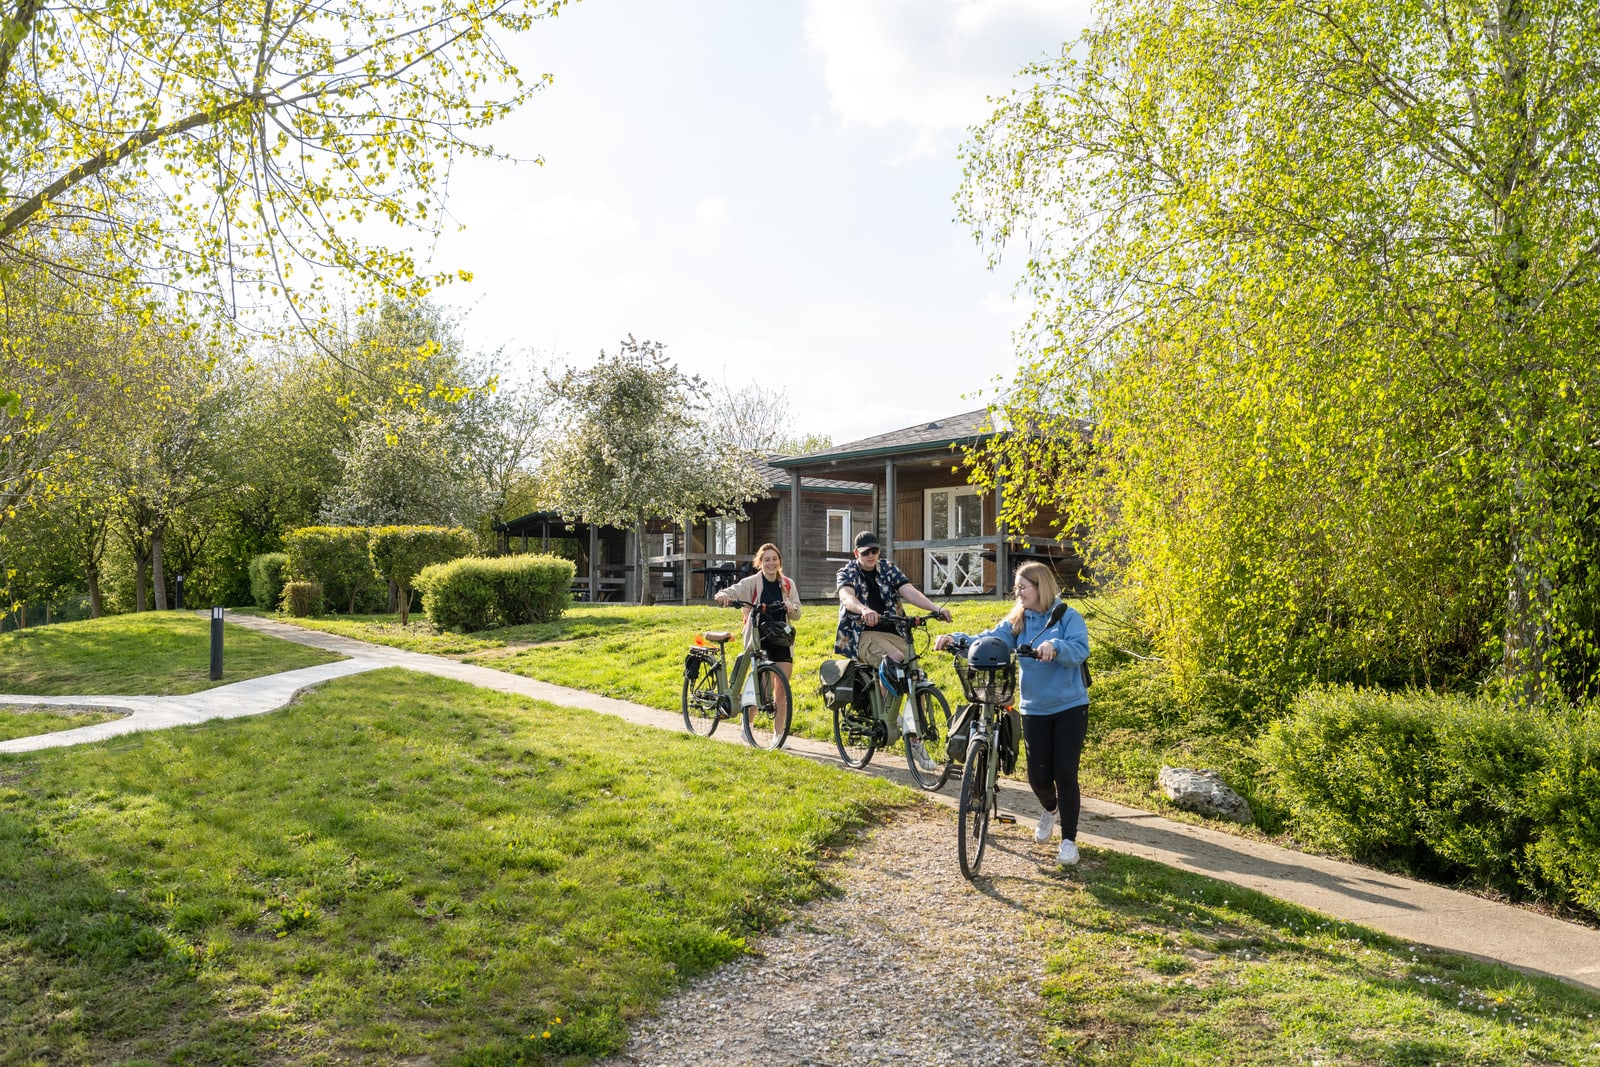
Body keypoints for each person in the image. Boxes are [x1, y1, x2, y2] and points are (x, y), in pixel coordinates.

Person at [935, 560, 1090, 866]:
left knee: (1065, 772)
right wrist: (957, 639)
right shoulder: (1018, 621)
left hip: (1070, 706)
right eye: (1016, 587)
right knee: (1037, 776)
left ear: (1040, 587)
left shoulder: (1066, 617)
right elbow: (989, 639)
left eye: (1023, 587)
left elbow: (1080, 649)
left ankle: (1069, 841)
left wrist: (1055, 647)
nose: (1017, 593)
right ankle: (1050, 808)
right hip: (1034, 709)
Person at [836, 531, 952, 768]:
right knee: (896, 659)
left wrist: (935, 609)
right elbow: (847, 597)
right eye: (865, 552)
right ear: (856, 553)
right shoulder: (847, 571)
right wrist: (863, 610)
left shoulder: (888, 568)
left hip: (894, 630)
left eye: (875, 551)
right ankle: (888, 711)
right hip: (862, 633)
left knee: (915, 677)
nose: (871, 555)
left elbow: (909, 591)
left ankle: (915, 739)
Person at [715, 543, 801, 735]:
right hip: (759, 638)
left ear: (779, 561)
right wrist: (722, 594)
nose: (771, 563)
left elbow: (797, 614)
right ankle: (748, 726)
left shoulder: (787, 584)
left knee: (782, 690)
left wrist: (791, 607)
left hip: (782, 638)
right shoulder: (753, 582)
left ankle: (779, 735)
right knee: (761, 685)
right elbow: (734, 590)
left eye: (774, 559)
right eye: (766, 559)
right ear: (760, 562)